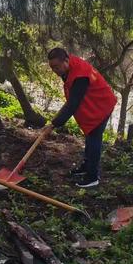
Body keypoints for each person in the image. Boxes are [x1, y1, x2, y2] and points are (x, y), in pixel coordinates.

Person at [47, 48, 117, 188]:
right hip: (93, 103)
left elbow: (73, 103)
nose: (55, 70)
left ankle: (92, 177)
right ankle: (86, 167)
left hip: (102, 105)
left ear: (66, 60)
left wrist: (54, 124)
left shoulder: (80, 75)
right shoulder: (68, 67)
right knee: (90, 136)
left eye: (56, 66)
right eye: (52, 67)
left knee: (94, 138)